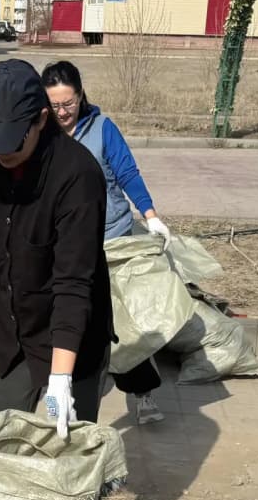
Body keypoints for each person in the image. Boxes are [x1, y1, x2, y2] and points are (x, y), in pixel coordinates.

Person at [0, 59, 114, 436]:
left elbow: (74, 283)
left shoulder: (78, 177)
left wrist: (60, 377)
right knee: (1, 444)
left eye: (11, 141)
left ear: (42, 119)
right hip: (11, 330)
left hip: (72, 335)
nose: (0, 154)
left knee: (72, 458)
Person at [42, 59, 171, 427]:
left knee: (122, 324)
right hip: (64, 246)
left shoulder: (102, 129)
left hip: (110, 240)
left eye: (69, 103)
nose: (63, 112)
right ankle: (81, 383)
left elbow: (127, 172)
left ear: (81, 96)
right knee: (70, 319)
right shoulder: (42, 134)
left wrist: (150, 216)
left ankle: (143, 392)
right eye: (55, 106)